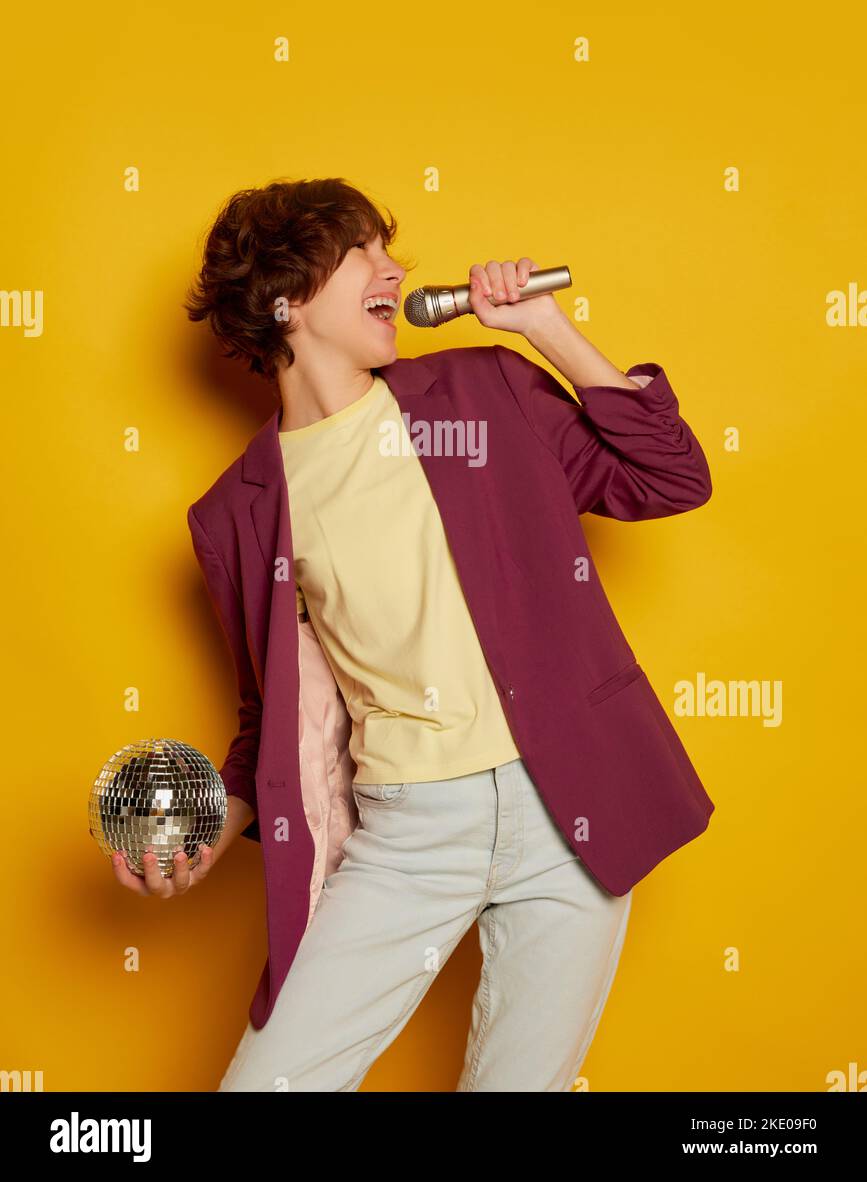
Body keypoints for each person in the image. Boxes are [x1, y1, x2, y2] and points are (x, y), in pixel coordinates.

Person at [114, 177, 715, 1091]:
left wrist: (546, 329)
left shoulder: (483, 391)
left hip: (572, 812)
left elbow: (668, 478)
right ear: (287, 297)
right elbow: (269, 719)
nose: (397, 270)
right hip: (408, 836)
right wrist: (206, 833)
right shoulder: (237, 513)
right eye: (366, 254)